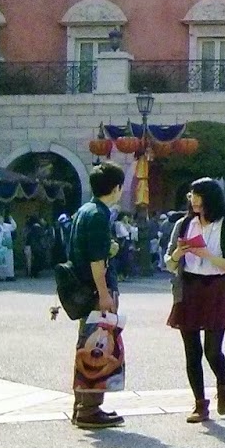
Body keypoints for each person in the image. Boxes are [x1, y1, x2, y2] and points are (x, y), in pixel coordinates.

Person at [165, 178, 225, 425]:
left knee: (212, 350)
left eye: (198, 196)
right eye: (192, 195)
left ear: (211, 199)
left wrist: (207, 254)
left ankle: (223, 383)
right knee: (192, 351)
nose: (194, 200)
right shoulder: (183, 224)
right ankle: (200, 403)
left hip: (216, 288)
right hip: (188, 287)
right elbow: (168, 263)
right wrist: (178, 254)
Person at [69, 163, 127, 430]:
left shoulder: (84, 210)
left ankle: (81, 405)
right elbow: (96, 261)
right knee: (99, 347)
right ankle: (90, 409)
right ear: (116, 188)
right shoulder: (99, 215)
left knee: (86, 343)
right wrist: (104, 294)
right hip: (96, 291)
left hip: (83, 289)